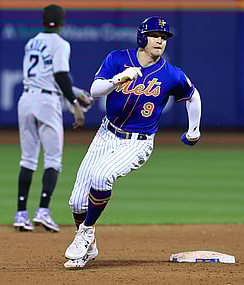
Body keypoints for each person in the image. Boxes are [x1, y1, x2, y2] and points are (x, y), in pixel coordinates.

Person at [63, 16, 202, 268]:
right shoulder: (117, 59)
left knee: (102, 175)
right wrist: (120, 79)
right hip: (106, 134)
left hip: (138, 142)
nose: (160, 40)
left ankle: (85, 233)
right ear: (142, 38)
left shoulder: (170, 74)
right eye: (155, 35)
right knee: (76, 202)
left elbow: (192, 95)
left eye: (164, 37)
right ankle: (89, 246)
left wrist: (194, 130)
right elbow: (95, 90)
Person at [13, 4, 85, 232]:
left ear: (43, 21)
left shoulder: (31, 42)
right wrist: (74, 104)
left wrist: (74, 91)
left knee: (28, 159)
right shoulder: (61, 44)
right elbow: (59, 74)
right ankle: (43, 210)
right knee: (53, 159)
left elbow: (46, 77)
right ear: (63, 22)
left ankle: (20, 213)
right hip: (47, 102)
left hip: (26, 99)